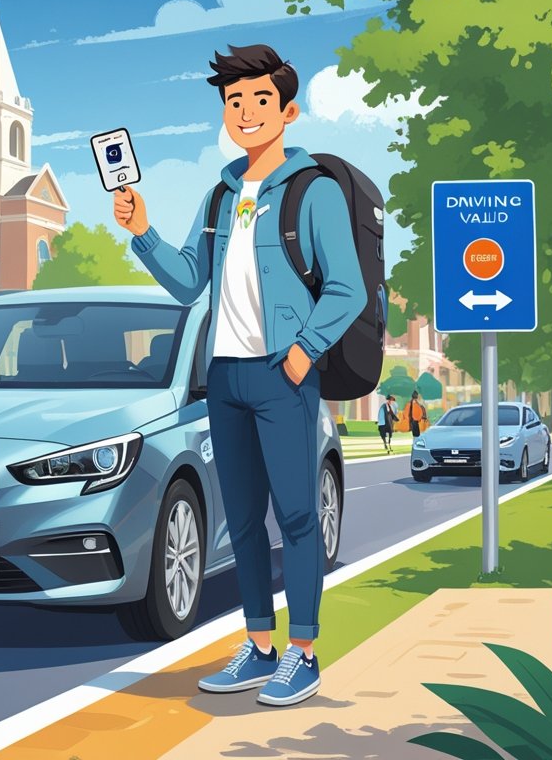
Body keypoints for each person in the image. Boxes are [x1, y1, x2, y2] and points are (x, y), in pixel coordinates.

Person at [113, 44, 365, 707]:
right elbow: (188, 283)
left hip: (283, 375)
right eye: (233, 102)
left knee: (299, 515)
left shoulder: (313, 193)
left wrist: (304, 351)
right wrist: (143, 232)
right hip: (225, 377)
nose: (245, 112)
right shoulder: (221, 193)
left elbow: (347, 290)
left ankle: (304, 654)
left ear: (288, 110)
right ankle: (260, 646)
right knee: (246, 521)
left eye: (258, 100)